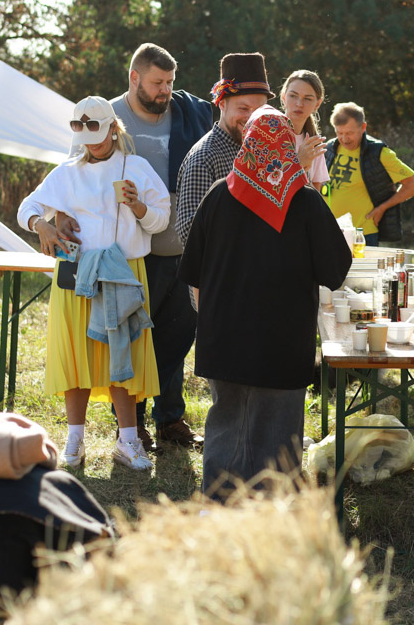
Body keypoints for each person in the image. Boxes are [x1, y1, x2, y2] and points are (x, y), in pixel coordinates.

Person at [178, 106, 352, 500]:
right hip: (283, 340)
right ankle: (271, 525)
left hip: (223, 337)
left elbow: (195, 275)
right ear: (287, 145)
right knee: (277, 434)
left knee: (225, 425)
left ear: (249, 142)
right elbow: (335, 270)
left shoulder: (220, 194)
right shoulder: (306, 201)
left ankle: (219, 510)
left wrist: (211, 323)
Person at [56, 43, 213, 451]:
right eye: (158, 83)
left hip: (180, 241)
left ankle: (170, 418)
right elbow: (72, 175)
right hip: (131, 253)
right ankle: (133, 425)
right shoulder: (104, 117)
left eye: (170, 83)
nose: (166, 91)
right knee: (132, 333)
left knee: (178, 335)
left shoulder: (185, 113)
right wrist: (54, 217)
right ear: (134, 78)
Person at [18, 96, 170, 472]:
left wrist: (137, 207)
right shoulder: (67, 172)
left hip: (123, 271)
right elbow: (27, 209)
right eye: (85, 133)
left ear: (115, 129)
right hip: (79, 275)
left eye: (99, 133)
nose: (93, 141)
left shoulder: (136, 167)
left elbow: (161, 220)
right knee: (77, 354)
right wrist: (46, 223)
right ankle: (74, 439)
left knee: (123, 354)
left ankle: (128, 441)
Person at [175, 53, 275, 247]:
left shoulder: (263, 150)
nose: (252, 118)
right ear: (222, 103)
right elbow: (189, 233)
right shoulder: (205, 157)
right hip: (223, 274)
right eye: (243, 108)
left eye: (259, 110)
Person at [324, 102, 414, 245]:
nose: (344, 139)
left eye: (349, 133)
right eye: (339, 133)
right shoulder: (329, 148)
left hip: (362, 236)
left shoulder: (379, 153)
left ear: (363, 127)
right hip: (328, 232)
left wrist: (382, 208)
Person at [280, 69, 329, 192]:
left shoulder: (315, 143)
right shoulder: (268, 134)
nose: (299, 103)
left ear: (317, 104)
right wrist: (299, 162)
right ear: (284, 97)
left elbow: (316, 192)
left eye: (307, 99)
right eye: (293, 96)